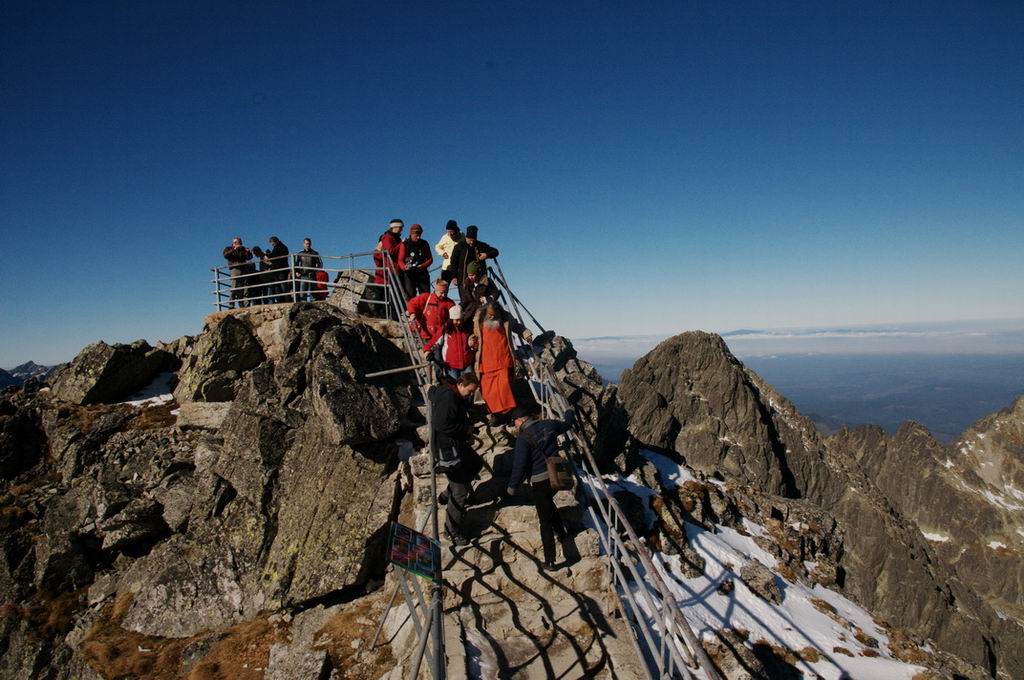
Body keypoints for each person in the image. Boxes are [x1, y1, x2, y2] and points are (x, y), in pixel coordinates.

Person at [506, 406, 576, 569]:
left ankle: (550, 560)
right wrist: (569, 412)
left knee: (544, 521)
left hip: (540, 482)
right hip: (556, 476)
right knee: (548, 504)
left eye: (514, 422)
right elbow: (567, 424)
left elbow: (519, 465)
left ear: (521, 420)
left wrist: (512, 486)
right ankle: (561, 531)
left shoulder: (523, 439)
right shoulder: (549, 424)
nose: (514, 425)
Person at [429, 372, 483, 546]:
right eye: (469, 391)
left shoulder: (447, 391)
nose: (470, 395)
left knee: (476, 463)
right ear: (460, 384)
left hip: (456, 445)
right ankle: (451, 531)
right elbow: (441, 423)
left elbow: (431, 392)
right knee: (460, 492)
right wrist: (465, 429)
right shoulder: (449, 399)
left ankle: (446, 493)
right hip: (448, 450)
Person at [473, 302, 533, 424]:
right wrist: (471, 341)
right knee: (488, 391)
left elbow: (517, 326)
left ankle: (508, 416)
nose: (491, 317)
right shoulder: (479, 318)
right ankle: (495, 414)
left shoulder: (505, 318)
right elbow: (474, 335)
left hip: (503, 359)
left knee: (505, 390)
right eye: (489, 315)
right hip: (486, 361)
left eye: (494, 315)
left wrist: (526, 334)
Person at [406, 278, 455, 355]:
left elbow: (453, 315)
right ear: (436, 290)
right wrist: (412, 313)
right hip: (426, 335)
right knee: (432, 356)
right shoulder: (426, 297)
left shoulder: (449, 303)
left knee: (438, 356)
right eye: (442, 292)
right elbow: (412, 303)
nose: (444, 295)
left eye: (446, 292)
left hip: (440, 336)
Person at [449, 225, 499, 299]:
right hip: (463, 280)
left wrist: (487, 255)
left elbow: (495, 251)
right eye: (470, 240)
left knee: (482, 302)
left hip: (480, 281)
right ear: (466, 237)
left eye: (473, 240)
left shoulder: (481, 245)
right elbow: (453, 262)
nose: (472, 242)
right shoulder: (459, 247)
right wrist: (454, 276)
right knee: (466, 301)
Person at [433, 304, 476, 381]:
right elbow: (435, 341)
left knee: (469, 384)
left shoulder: (467, 328)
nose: (459, 322)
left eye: (460, 319)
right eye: (456, 320)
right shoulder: (445, 329)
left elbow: (473, 338)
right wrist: (426, 349)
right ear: (451, 319)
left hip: (466, 363)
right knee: (454, 387)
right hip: (451, 365)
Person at [371, 219, 404, 316]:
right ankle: (379, 313)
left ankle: (384, 314)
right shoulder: (387, 237)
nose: (401, 229)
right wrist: (401, 245)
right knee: (383, 293)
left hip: (391, 269)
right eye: (400, 227)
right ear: (394, 227)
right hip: (386, 271)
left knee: (386, 294)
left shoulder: (395, 238)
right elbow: (391, 252)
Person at [397, 224, 433, 299]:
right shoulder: (405, 244)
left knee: (425, 295)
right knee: (410, 295)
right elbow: (400, 260)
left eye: (420, 234)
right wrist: (404, 267)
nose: (418, 237)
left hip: (422, 272)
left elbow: (430, 259)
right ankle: (411, 310)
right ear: (411, 233)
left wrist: (423, 266)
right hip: (409, 273)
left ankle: (424, 310)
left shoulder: (424, 243)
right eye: (416, 235)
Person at [223, 236, 254, 308]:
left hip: (244, 268)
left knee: (246, 287)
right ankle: (231, 304)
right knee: (234, 287)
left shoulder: (243, 249)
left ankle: (246, 305)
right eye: (235, 242)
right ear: (233, 243)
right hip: (235, 269)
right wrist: (234, 249)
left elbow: (249, 257)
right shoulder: (229, 249)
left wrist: (248, 252)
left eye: (238, 242)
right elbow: (226, 255)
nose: (237, 244)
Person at [294, 237, 323, 302]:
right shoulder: (300, 254)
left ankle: (314, 307)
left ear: (311, 244)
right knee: (302, 294)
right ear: (303, 244)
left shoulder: (314, 253)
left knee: (313, 293)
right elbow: (296, 264)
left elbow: (320, 264)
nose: (308, 245)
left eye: (309, 244)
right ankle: (303, 308)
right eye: (306, 244)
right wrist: (297, 272)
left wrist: (314, 271)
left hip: (312, 275)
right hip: (303, 275)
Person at [263, 236, 290, 303]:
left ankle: (287, 300)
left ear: (276, 241)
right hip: (277, 269)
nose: (272, 245)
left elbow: (276, 256)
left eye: (272, 243)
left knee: (283, 285)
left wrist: (268, 256)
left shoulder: (282, 247)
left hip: (281, 269)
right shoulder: (277, 247)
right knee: (277, 286)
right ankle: (280, 300)